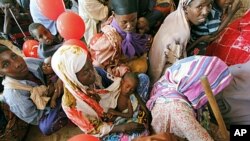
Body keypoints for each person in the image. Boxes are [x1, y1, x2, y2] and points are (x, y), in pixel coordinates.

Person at [51, 44, 151, 140]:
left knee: (142, 79)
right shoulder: (70, 105)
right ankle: (138, 117)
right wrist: (124, 127)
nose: (92, 73)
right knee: (136, 135)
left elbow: (120, 85)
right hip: (106, 127)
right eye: (86, 72)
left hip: (117, 105)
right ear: (72, 77)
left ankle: (138, 115)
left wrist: (137, 99)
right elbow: (94, 130)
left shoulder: (95, 72)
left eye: (90, 64)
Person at [146, 55, 232, 140]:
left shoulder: (173, 84)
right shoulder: (178, 111)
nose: (214, 93)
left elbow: (207, 127)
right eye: (214, 85)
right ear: (196, 85)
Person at [0, 45, 68, 135]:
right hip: (49, 106)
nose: (17, 64)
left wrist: (59, 78)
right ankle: (67, 99)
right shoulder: (14, 95)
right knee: (46, 127)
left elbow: (50, 65)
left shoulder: (28, 62)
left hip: (54, 86)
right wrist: (52, 99)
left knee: (67, 66)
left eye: (14, 56)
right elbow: (35, 118)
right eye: (6, 64)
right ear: (1, 73)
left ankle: (67, 94)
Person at [148, 0, 212, 84]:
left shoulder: (175, 16)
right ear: (185, 8)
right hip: (162, 80)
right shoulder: (180, 35)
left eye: (208, 5)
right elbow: (174, 72)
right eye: (199, 7)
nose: (205, 12)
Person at [90, 0, 153, 77]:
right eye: (124, 22)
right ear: (114, 15)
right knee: (142, 68)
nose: (129, 26)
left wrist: (146, 38)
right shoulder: (110, 40)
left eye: (133, 20)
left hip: (131, 60)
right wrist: (122, 70)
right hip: (116, 71)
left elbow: (139, 38)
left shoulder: (135, 24)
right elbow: (99, 67)